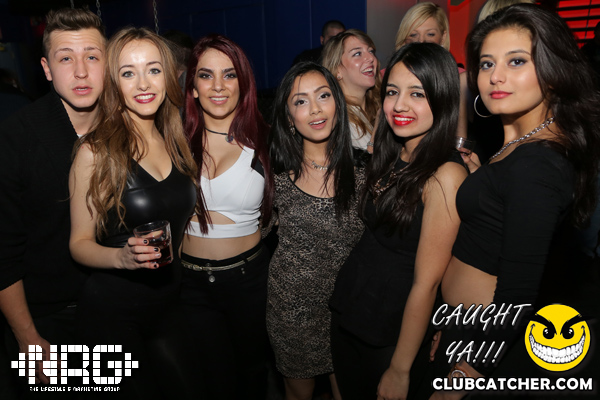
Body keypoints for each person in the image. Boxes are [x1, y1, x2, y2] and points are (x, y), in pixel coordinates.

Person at [430, 4, 600, 398]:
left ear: (553, 71)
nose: (495, 76)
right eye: (486, 63)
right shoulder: (518, 143)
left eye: (517, 61)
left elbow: (517, 295)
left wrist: (464, 375)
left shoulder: (537, 164)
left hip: (487, 346)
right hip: (466, 329)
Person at [329, 42, 467, 400]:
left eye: (417, 93)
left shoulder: (445, 175)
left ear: (442, 97)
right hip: (352, 309)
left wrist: (400, 369)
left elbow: (427, 283)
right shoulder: (393, 152)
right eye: (392, 92)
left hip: (391, 331)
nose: (399, 105)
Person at [69, 27, 201, 399]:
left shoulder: (175, 139)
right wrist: (122, 258)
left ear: (169, 76)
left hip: (170, 304)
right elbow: (78, 243)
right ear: (114, 83)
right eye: (128, 72)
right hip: (112, 313)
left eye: (153, 70)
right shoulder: (95, 151)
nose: (143, 83)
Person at [0, 8, 105, 396]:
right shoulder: (15, 138)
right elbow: (3, 253)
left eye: (92, 56)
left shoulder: (127, 128)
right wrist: (27, 337)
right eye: (65, 59)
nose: (81, 72)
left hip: (114, 312)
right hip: (46, 321)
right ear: (46, 69)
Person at [179, 34, 273, 400]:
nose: (218, 86)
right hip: (188, 283)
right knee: (209, 379)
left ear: (243, 83)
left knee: (252, 375)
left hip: (248, 281)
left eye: (229, 74)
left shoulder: (266, 140)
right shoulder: (173, 140)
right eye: (206, 75)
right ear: (193, 87)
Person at [268, 61, 364, 400]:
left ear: (337, 102)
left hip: (349, 311)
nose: (315, 109)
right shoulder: (275, 177)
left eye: (323, 95)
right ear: (288, 117)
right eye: (300, 101)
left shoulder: (367, 173)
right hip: (292, 311)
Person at [394, 2, 468, 140]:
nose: (421, 41)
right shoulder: (387, 77)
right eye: (413, 34)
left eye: (430, 34)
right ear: (404, 39)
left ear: (443, 38)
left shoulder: (459, 78)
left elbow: (460, 133)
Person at [322, 29, 380, 154]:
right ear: (337, 70)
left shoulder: (378, 107)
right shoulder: (338, 119)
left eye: (371, 51)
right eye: (357, 53)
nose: (371, 58)